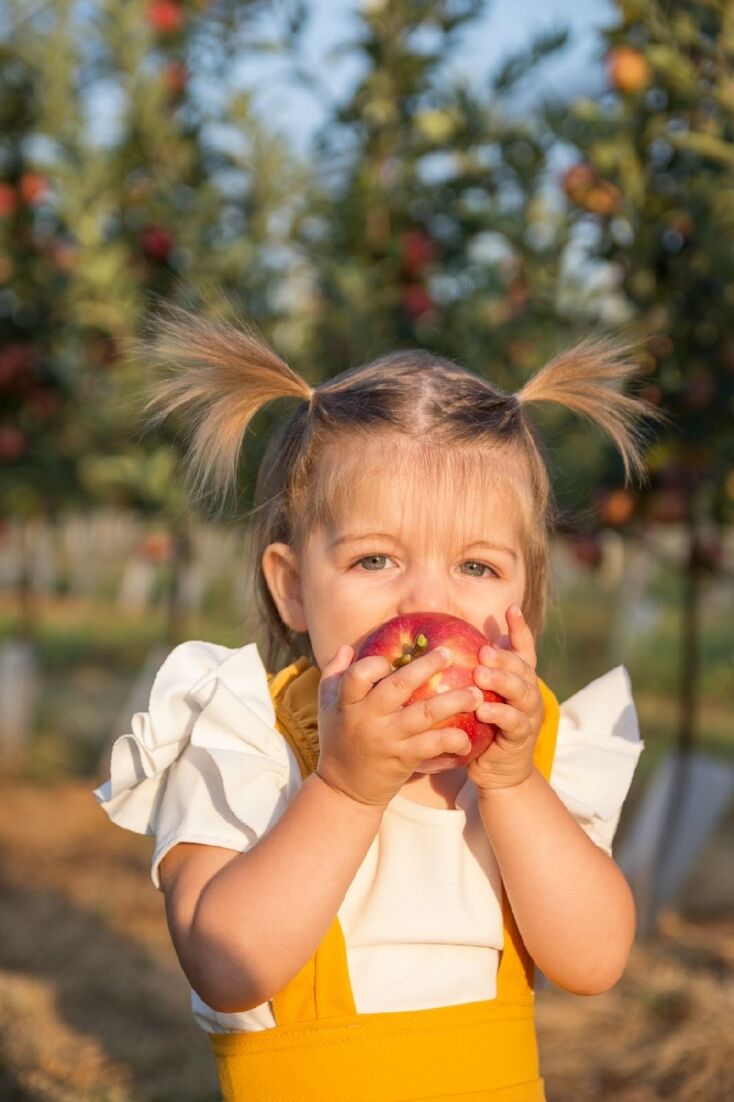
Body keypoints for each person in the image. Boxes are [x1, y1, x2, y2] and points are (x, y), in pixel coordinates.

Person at [94, 306, 665, 1101]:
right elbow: (227, 965)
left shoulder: (526, 750)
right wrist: (343, 788)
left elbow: (595, 961)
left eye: (476, 567)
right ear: (293, 586)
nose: (425, 602)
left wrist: (511, 787)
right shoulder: (245, 736)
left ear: (525, 595)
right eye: (374, 559)